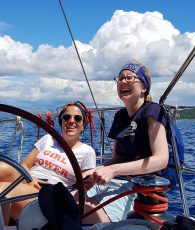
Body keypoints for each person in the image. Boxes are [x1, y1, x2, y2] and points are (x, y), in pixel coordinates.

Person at [80, 61, 169, 224]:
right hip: (115, 180)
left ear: (143, 87)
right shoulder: (120, 116)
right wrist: (94, 172)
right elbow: (115, 158)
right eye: (120, 79)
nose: (123, 82)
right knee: (69, 198)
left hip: (139, 187)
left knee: (79, 211)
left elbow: (161, 160)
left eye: (129, 78)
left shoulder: (152, 111)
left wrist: (113, 170)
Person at [0, 100, 96, 223]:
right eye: (66, 117)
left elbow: (83, 187)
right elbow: (25, 165)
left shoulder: (87, 151)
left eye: (77, 118)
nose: (71, 121)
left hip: (48, 194)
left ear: (83, 125)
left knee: (3, 189)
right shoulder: (48, 139)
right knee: (2, 167)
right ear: (61, 122)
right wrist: (31, 180)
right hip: (28, 179)